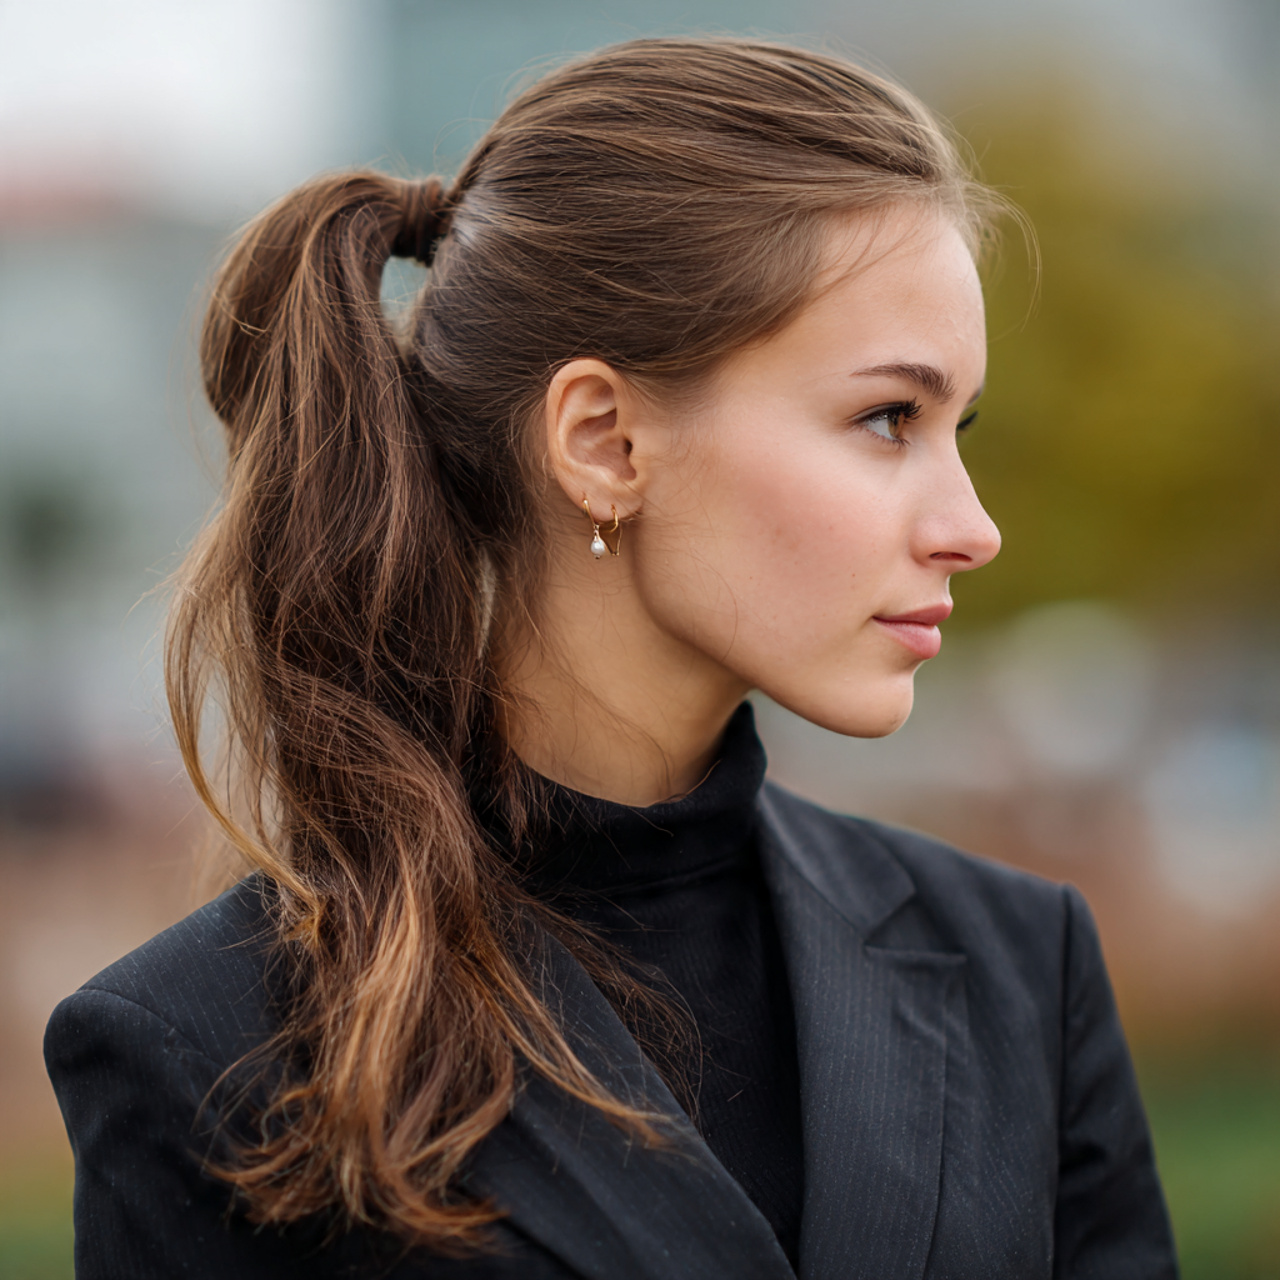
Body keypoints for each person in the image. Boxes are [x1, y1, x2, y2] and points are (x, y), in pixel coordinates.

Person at [44, 37, 1178, 1279]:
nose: (972, 527)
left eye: (955, 427)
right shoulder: (203, 1048)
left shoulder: (1020, 968)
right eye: (885, 419)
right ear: (603, 440)